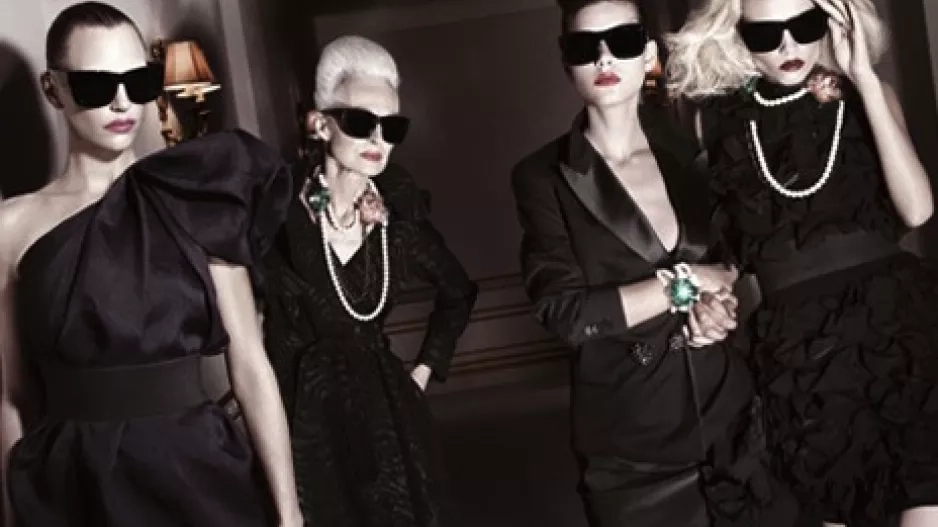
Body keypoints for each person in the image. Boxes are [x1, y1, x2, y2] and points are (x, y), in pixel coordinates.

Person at [0, 3, 302, 526]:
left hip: (194, 471)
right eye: (96, 84)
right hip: (73, 484)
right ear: (53, 89)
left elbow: (251, 367)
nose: (122, 101)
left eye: (138, 81)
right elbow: (11, 396)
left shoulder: (196, 198)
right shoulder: (11, 227)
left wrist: (289, 512)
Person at [510, 1, 797, 525]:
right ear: (567, 62)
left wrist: (720, 307)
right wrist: (683, 283)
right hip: (632, 451)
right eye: (584, 46)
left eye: (621, 41)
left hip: (735, 423)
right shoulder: (542, 177)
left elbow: (739, 265)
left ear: (647, 54)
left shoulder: (696, 153)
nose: (604, 57)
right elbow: (565, 314)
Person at [668, 0, 938, 525]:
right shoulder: (717, 122)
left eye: (804, 25)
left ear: (833, 24)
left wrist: (864, 78)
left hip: (897, 328)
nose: (788, 45)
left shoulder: (868, 95)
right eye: (766, 33)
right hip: (799, 349)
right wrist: (707, 298)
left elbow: (918, 209)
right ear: (738, 36)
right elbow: (735, 254)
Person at [261, 35, 478, 527]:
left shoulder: (397, 215)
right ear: (320, 123)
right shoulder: (280, 211)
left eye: (392, 126)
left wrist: (420, 375)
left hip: (386, 416)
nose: (379, 140)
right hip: (303, 418)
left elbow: (458, 292)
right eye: (361, 123)